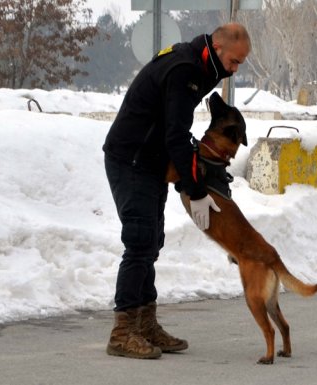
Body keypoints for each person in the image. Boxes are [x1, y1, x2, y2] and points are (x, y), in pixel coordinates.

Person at [102, 23, 251, 359]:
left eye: (240, 63)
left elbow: (175, 132)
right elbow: (176, 135)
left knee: (152, 241)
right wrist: (195, 190)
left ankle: (145, 323)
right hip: (131, 158)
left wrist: (191, 180)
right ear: (217, 46)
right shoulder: (187, 70)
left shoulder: (201, 66)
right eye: (234, 61)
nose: (235, 69)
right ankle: (122, 332)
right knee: (140, 241)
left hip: (150, 159)